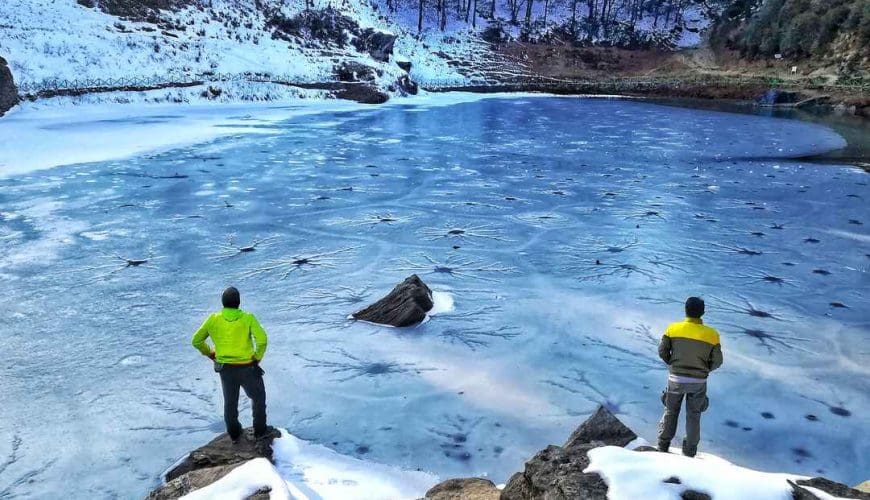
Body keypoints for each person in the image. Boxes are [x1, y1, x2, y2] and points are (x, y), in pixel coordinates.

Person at [192, 286, 269, 442]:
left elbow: (196, 340)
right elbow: (262, 340)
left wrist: (210, 353)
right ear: (239, 302)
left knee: (230, 402)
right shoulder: (248, 318)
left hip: (225, 368)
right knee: (258, 397)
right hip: (247, 366)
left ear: (222, 302)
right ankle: (260, 431)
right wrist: (257, 357)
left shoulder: (213, 319)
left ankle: (234, 434)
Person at [657, 296, 723, 457]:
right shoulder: (712, 335)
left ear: (685, 310)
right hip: (698, 381)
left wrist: (672, 364)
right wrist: (704, 370)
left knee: (671, 411)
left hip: (676, 379)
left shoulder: (672, 329)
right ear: (703, 312)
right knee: (694, 415)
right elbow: (718, 361)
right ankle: (689, 451)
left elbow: (662, 351)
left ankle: (663, 445)